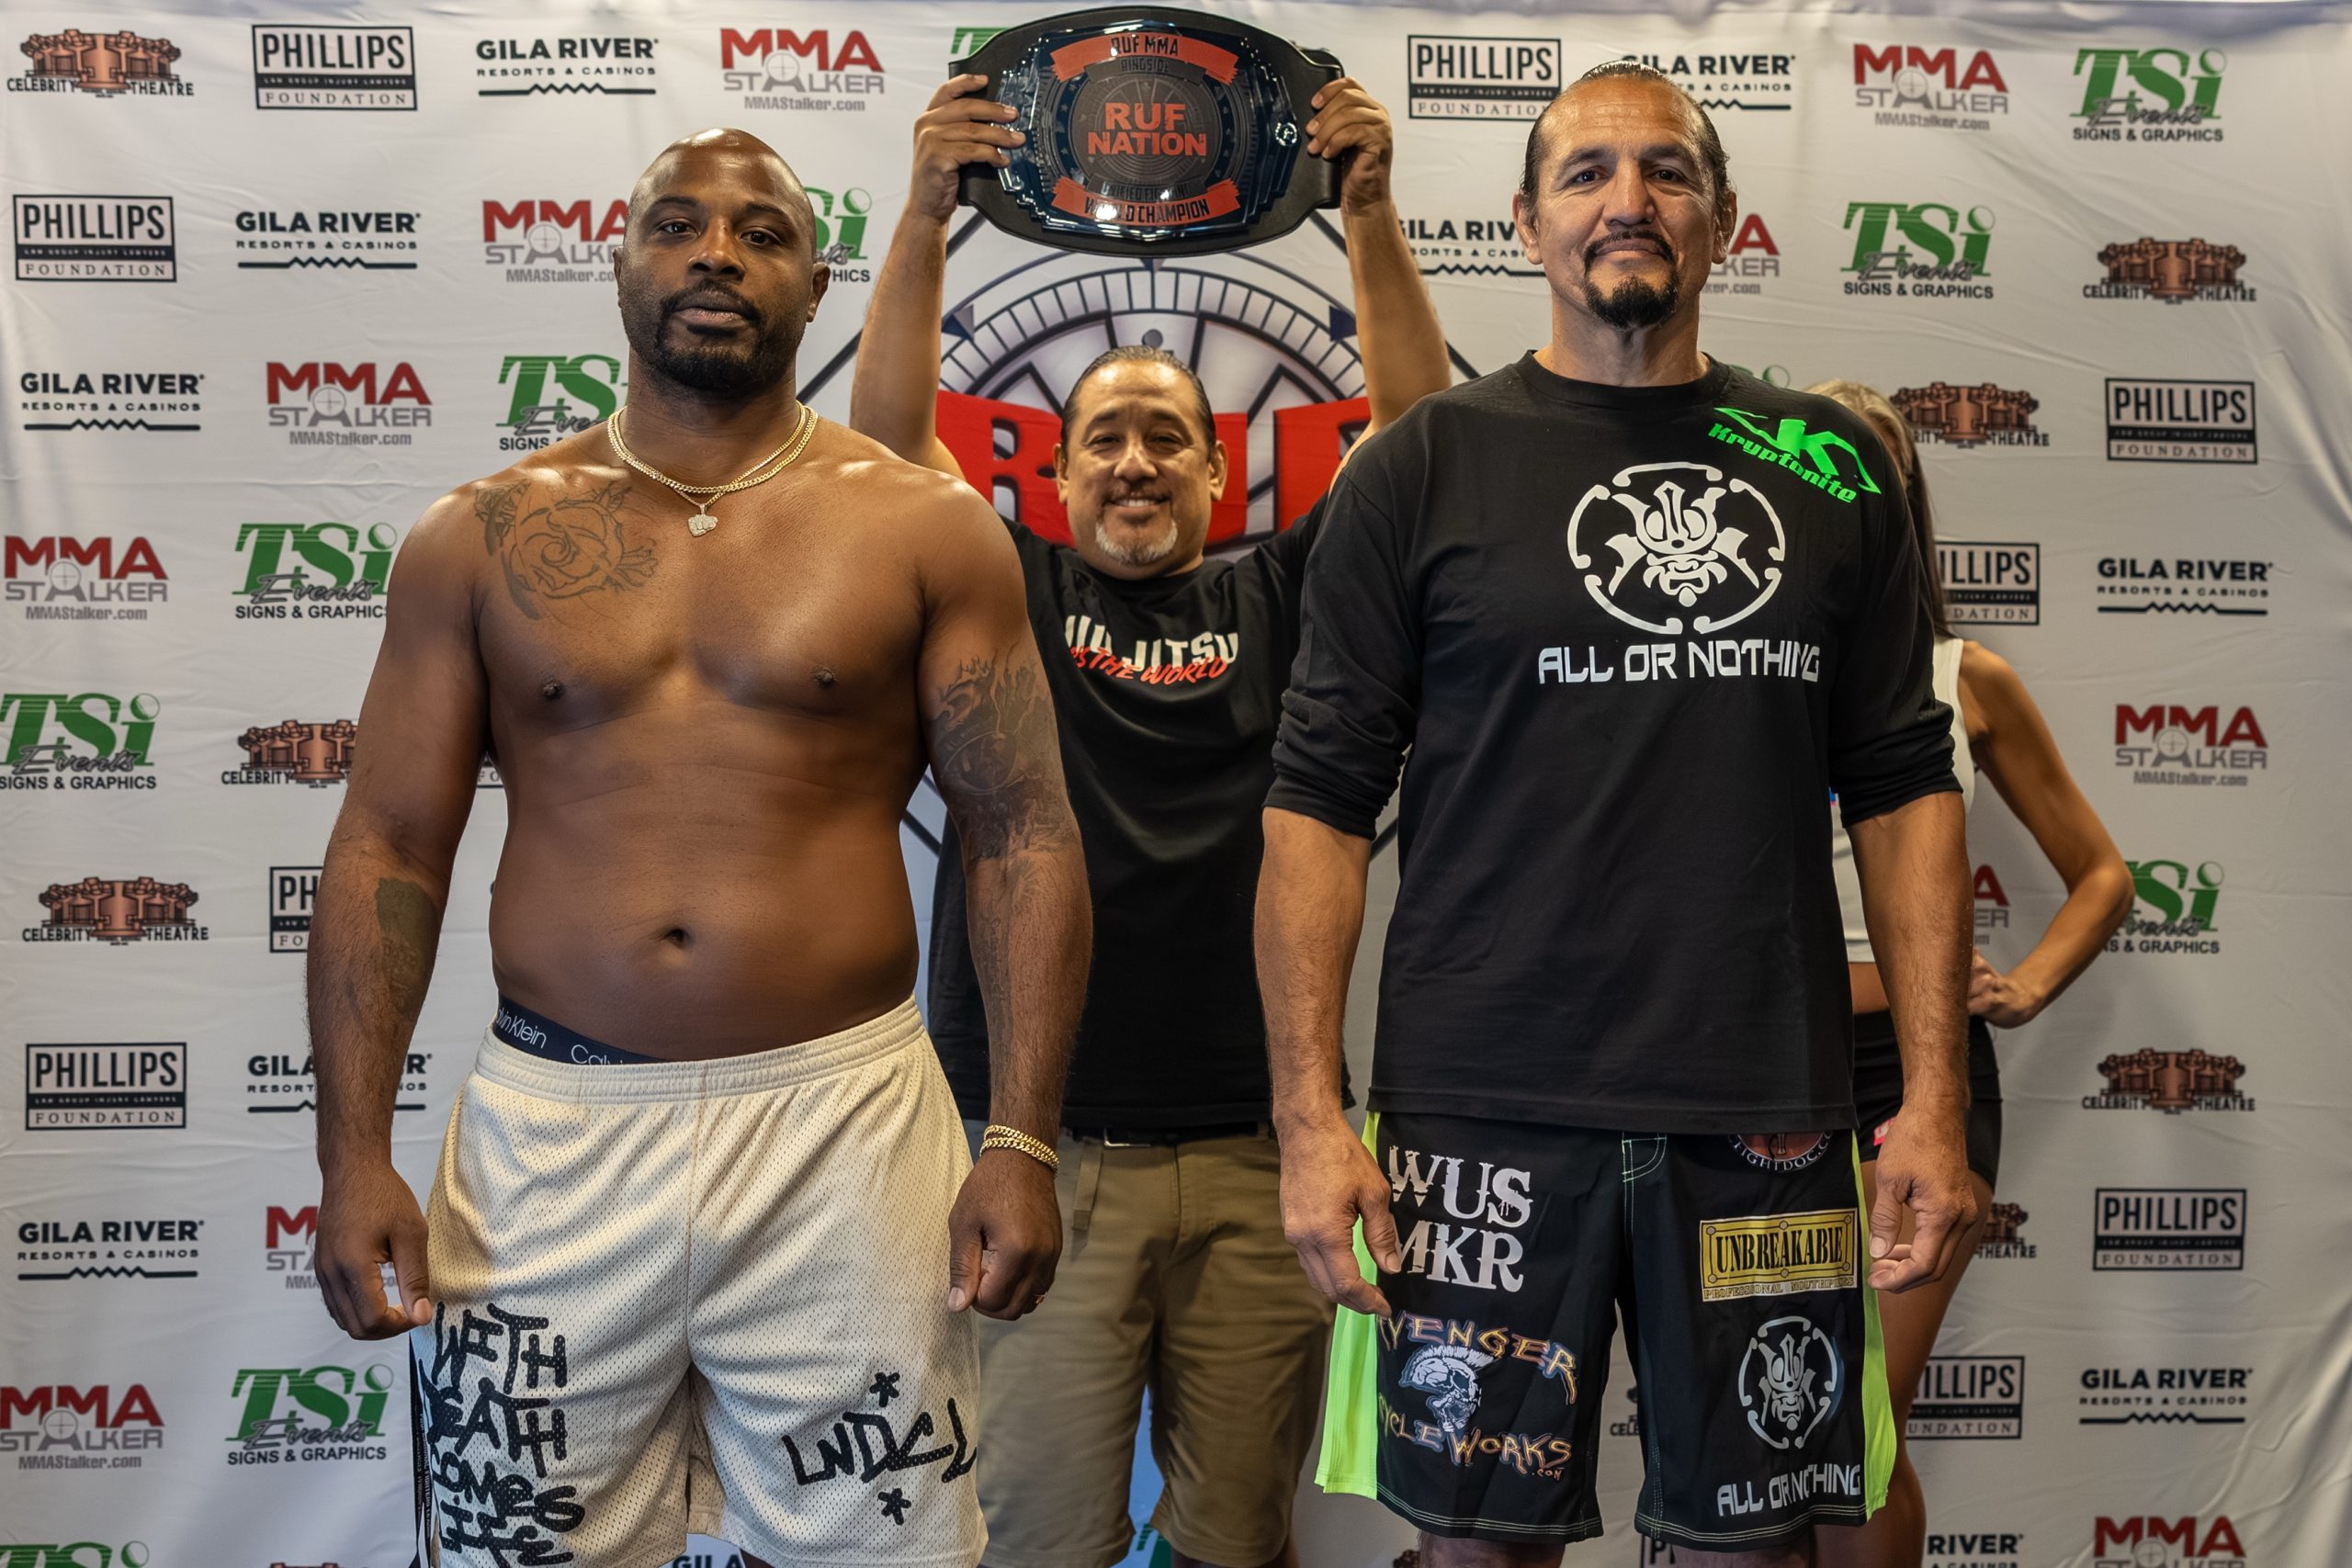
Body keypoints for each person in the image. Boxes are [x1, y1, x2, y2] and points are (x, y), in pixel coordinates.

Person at [306, 128, 1091, 1568]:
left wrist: (1022, 1136)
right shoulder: (477, 537)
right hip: (553, 1138)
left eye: (762, 232)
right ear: (620, 263)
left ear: (816, 284)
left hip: (845, 1128)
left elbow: (1021, 832)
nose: (717, 253)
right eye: (677, 225)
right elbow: (388, 848)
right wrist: (353, 1154)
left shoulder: (925, 530)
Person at [1257, 62, 1980, 1568]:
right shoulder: (1419, 467)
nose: (1628, 202)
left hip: (1765, 1111)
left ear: (1725, 218)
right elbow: (1317, 807)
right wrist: (1312, 1119)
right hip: (1479, 1111)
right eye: (1586, 173)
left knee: (1753, 1547)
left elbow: (1907, 788)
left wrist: (1931, 1100)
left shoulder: (1828, 464)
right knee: (1474, 1545)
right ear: (1526, 222)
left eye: (1668, 172)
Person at [848, 75, 1449, 1568]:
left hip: (1260, 1147)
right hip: (1042, 1144)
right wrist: (922, 213)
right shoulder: (1008, 589)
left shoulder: (1286, 593)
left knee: (1238, 1540)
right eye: (1105, 437)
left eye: (1168, 439)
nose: (1135, 461)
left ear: (1219, 469)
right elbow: (883, 447)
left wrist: (1372, 215)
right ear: (1053, 474)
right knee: (1040, 1538)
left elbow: (1422, 443)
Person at [1809, 380, 2133, 1568]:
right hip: (1757, 1073)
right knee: (1764, 1432)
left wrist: (2029, 984)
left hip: (1916, 1076)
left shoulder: (1965, 676)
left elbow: (2101, 874)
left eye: (1873, 470)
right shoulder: (1743, 671)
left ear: (1904, 501)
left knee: (1856, 1432)